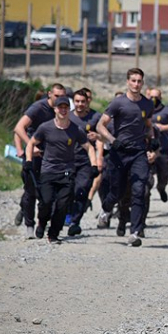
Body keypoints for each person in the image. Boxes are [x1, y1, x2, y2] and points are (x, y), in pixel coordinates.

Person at [24, 96, 99, 243]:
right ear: (55, 109)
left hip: (67, 172)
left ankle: (53, 233)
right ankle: (42, 223)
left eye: (66, 108)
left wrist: (94, 165)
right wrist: (28, 160)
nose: (63, 110)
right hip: (48, 171)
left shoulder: (75, 129)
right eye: (60, 107)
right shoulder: (45, 128)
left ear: (68, 110)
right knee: (45, 202)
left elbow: (89, 147)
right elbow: (31, 143)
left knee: (62, 204)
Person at [96, 68, 155, 247]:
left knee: (139, 190)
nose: (136, 84)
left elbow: (148, 125)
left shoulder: (147, 104)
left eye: (139, 81)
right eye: (133, 81)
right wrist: (113, 141)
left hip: (138, 152)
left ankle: (135, 232)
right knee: (117, 192)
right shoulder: (118, 103)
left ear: (142, 83)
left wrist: (151, 141)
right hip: (119, 152)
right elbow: (100, 125)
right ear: (128, 82)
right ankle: (106, 210)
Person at [13, 83, 67, 238]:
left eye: (62, 97)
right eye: (56, 96)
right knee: (31, 190)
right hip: (33, 154)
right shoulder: (38, 108)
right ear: (50, 94)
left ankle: (41, 222)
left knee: (50, 192)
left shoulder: (63, 109)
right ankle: (29, 225)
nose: (59, 99)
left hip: (51, 157)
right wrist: (28, 147)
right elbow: (18, 128)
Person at [67, 89, 102, 236]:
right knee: (67, 190)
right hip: (67, 160)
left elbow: (103, 137)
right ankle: (66, 214)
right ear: (73, 102)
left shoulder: (96, 117)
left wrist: (98, 136)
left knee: (81, 190)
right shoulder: (67, 117)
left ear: (88, 101)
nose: (80, 104)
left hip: (86, 160)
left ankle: (75, 221)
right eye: (77, 101)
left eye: (83, 101)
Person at [147, 88, 168, 203]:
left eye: (156, 97)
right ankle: (145, 197)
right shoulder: (144, 110)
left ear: (161, 98)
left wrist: (164, 127)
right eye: (151, 97)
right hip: (149, 150)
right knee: (147, 180)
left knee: (163, 176)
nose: (153, 99)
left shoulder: (167, 111)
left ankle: (161, 188)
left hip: (164, 150)